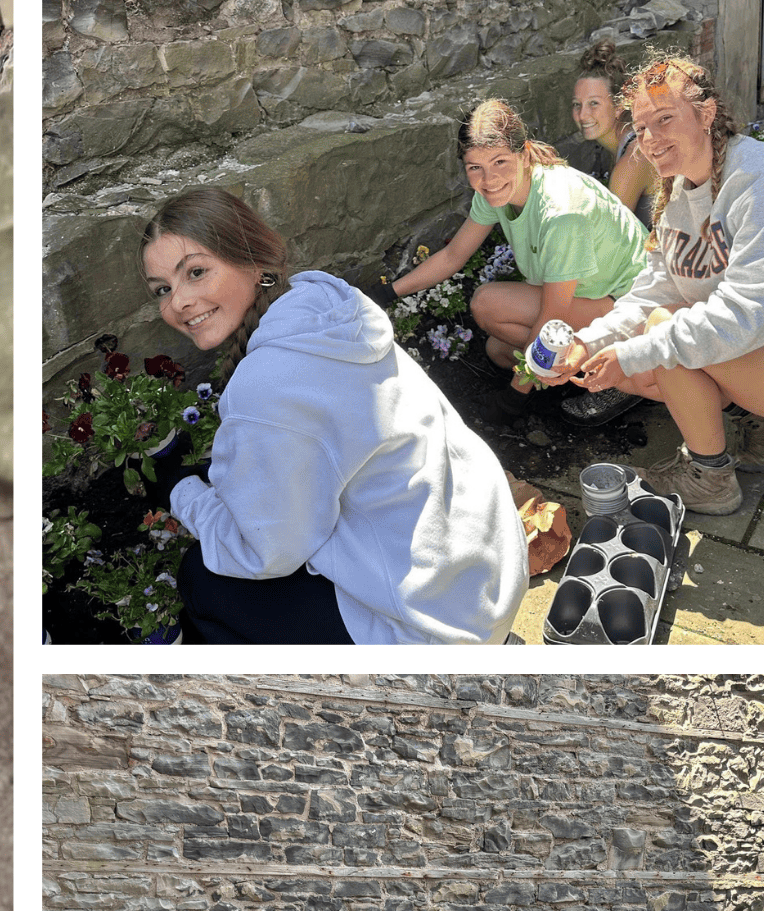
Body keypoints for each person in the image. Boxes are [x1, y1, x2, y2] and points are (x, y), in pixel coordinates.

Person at [139, 187, 527, 645]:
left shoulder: (265, 384)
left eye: (196, 272)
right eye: (163, 289)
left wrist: (181, 490)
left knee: (202, 580)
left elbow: (265, 553)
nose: (178, 302)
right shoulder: (326, 307)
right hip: (489, 575)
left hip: (435, 632)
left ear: (255, 261)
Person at [548, 55, 764, 516]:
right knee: (649, 345)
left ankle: (710, 478)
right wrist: (588, 343)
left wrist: (630, 353)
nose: (650, 139)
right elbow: (652, 291)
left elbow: (742, 318)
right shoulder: (680, 190)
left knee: (659, 337)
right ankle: (763, 421)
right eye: (641, 128)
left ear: (706, 114)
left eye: (665, 119)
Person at [391, 98, 647, 426]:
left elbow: (552, 316)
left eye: (500, 161)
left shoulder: (561, 213)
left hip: (632, 307)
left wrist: (512, 399)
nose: (489, 178)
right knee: (499, 351)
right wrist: (386, 294)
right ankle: (568, 372)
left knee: (488, 305)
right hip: (592, 298)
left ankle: (626, 373)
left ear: (524, 154)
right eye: (475, 167)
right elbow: (453, 256)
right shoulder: (498, 191)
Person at [566, 41, 657, 227]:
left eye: (594, 103)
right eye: (577, 104)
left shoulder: (632, 160)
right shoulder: (627, 145)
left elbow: (610, 236)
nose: (582, 115)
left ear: (619, 106)